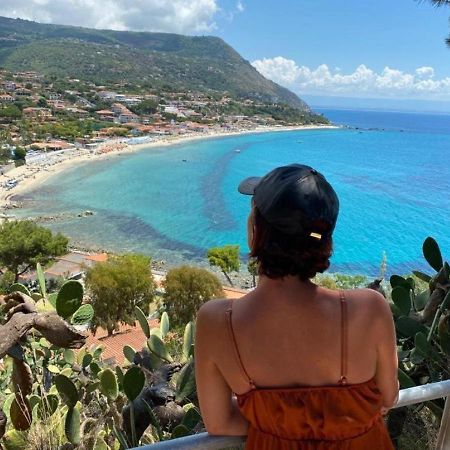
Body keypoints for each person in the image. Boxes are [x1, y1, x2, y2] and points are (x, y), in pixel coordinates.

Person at [195, 164, 398, 449]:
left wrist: (279, 423)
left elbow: (219, 423)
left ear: (256, 231)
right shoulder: (370, 310)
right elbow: (388, 398)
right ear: (324, 241)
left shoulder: (216, 321)